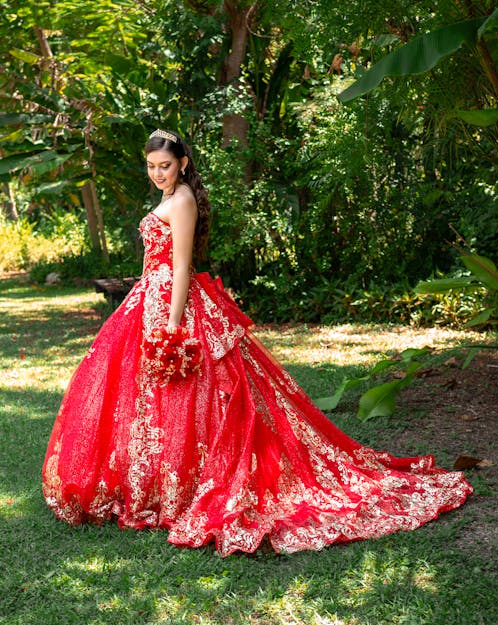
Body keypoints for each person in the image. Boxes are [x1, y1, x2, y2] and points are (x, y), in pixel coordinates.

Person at [42, 129, 472, 556]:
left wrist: (172, 327)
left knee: (196, 393)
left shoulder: (184, 200)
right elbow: (152, 262)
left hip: (174, 306)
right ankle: (156, 485)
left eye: (166, 166)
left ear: (183, 164)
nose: (158, 173)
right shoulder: (165, 199)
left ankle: (189, 484)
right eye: (152, 166)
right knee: (148, 399)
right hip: (147, 301)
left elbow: (181, 266)